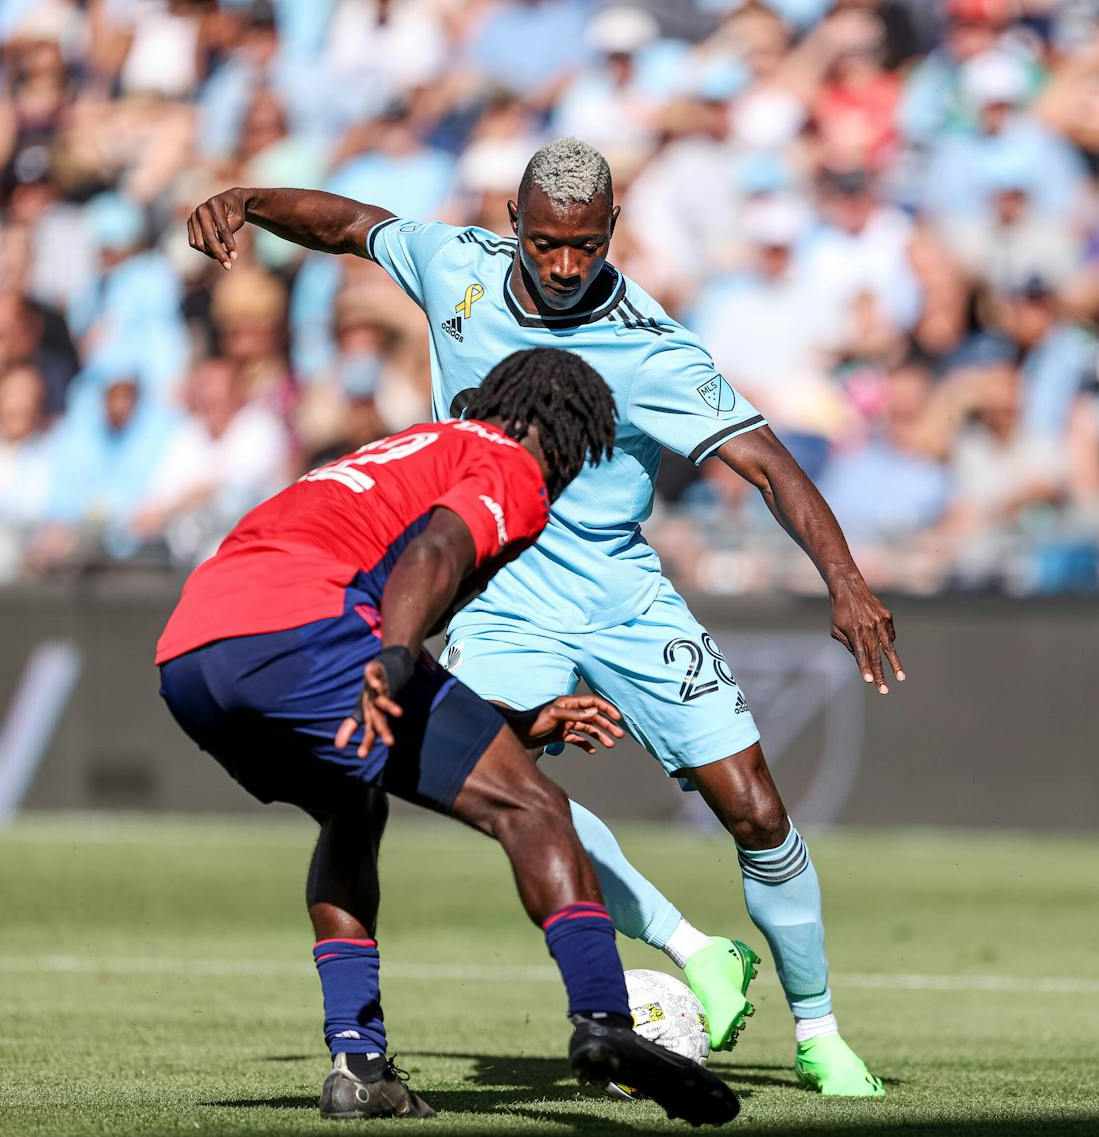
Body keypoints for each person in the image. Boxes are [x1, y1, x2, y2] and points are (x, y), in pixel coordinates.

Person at [186, 136, 900, 1095]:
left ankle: (819, 1033)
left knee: (757, 808)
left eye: (588, 246)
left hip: (624, 596)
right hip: (501, 593)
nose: (567, 267)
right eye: (550, 244)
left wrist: (844, 580)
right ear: (515, 223)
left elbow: (766, 462)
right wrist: (247, 199)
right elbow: (351, 225)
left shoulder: (653, 347)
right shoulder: (456, 269)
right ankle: (692, 951)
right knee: (517, 795)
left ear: (612, 233)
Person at [155, 348, 740, 1126]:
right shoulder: (508, 463)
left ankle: (357, 1063)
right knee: (533, 808)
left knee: (351, 801)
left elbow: (411, 662)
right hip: (308, 631)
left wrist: (513, 718)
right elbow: (433, 559)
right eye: (583, 449)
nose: (571, 473)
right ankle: (604, 1021)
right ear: (558, 434)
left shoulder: (411, 450)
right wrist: (394, 660)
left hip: (192, 653)